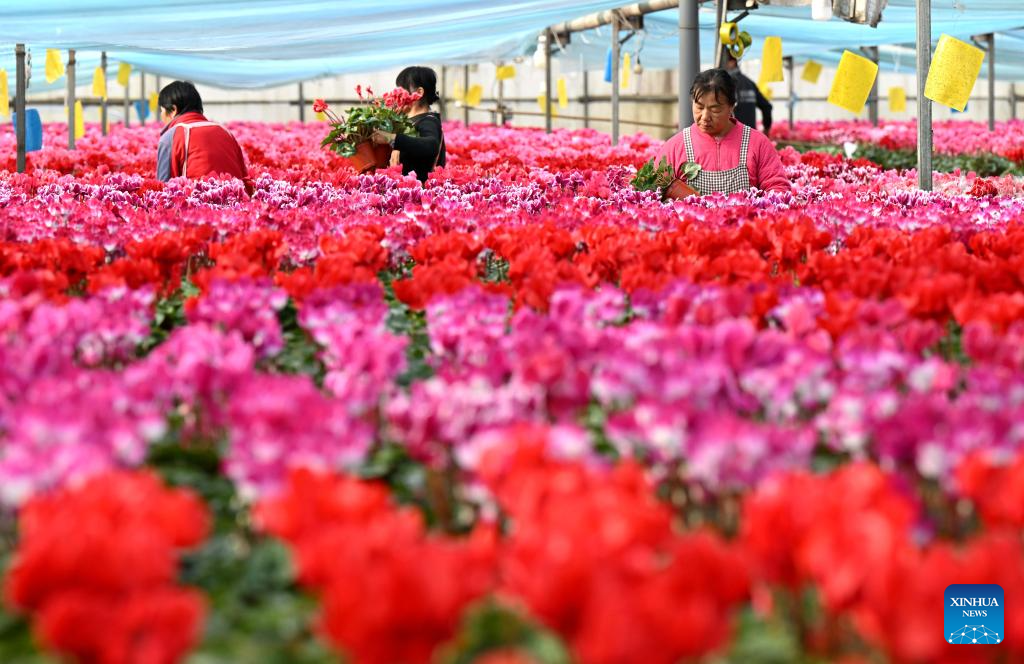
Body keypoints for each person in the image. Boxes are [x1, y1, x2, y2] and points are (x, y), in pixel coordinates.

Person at [654, 68, 788, 195]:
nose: (705, 117)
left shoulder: (757, 143)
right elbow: (656, 189)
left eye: (715, 109)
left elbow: (777, 189)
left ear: (731, 106)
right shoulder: (676, 146)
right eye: (699, 107)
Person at [156, 81, 251, 193]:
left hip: (194, 206)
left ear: (173, 110)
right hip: (236, 206)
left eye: (161, 111)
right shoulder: (226, 132)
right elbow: (245, 180)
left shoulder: (172, 137)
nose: (161, 116)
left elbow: (163, 189)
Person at [370, 66, 446, 183]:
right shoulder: (405, 121)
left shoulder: (428, 121)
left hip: (419, 193)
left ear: (419, 92)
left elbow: (431, 145)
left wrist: (391, 139)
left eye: (402, 90)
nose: (398, 95)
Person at [724, 52, 773, 136]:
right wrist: (766, 129)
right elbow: (766, 106)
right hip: (750, 137)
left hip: (732, 138)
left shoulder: (724, 84)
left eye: (723, 63)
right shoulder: (749, 83)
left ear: (732, 62)